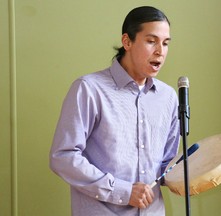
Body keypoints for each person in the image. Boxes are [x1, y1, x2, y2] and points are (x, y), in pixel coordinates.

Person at [50, 6, 180, 216]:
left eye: (165, 43)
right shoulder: (89, 89)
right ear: (127, 42)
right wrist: (123, 191)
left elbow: (165, 164)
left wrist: (193, 169)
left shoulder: (168, 97)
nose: (160, 51)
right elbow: (63, 156)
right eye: (151, 41)